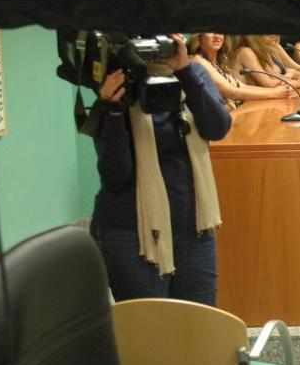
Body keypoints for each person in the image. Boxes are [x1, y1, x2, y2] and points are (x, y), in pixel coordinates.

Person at [91, 33, 232, 306]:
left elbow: (218, 127)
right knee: (150, 338)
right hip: (133, 236)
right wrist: (113, 111)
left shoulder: (194, 74)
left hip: (194, 228)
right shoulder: (118, 83)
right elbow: (115, 177)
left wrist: (185, 72)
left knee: (199, 328)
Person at [187, 32, 292, 110]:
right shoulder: (199, 61)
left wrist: (279, 91)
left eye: (220, 32)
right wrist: (275, 93)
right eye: (211, 31)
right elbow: (233, 93)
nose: (217, 36)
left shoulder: (217, 62)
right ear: (199, 36)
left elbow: (243, 87)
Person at [231, 34, 300, 89]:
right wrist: (299, 83)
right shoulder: (246, 52)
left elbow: (279, 76)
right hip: (246, 108)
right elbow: (268, 83)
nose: (274, 34)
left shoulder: (267, 48)